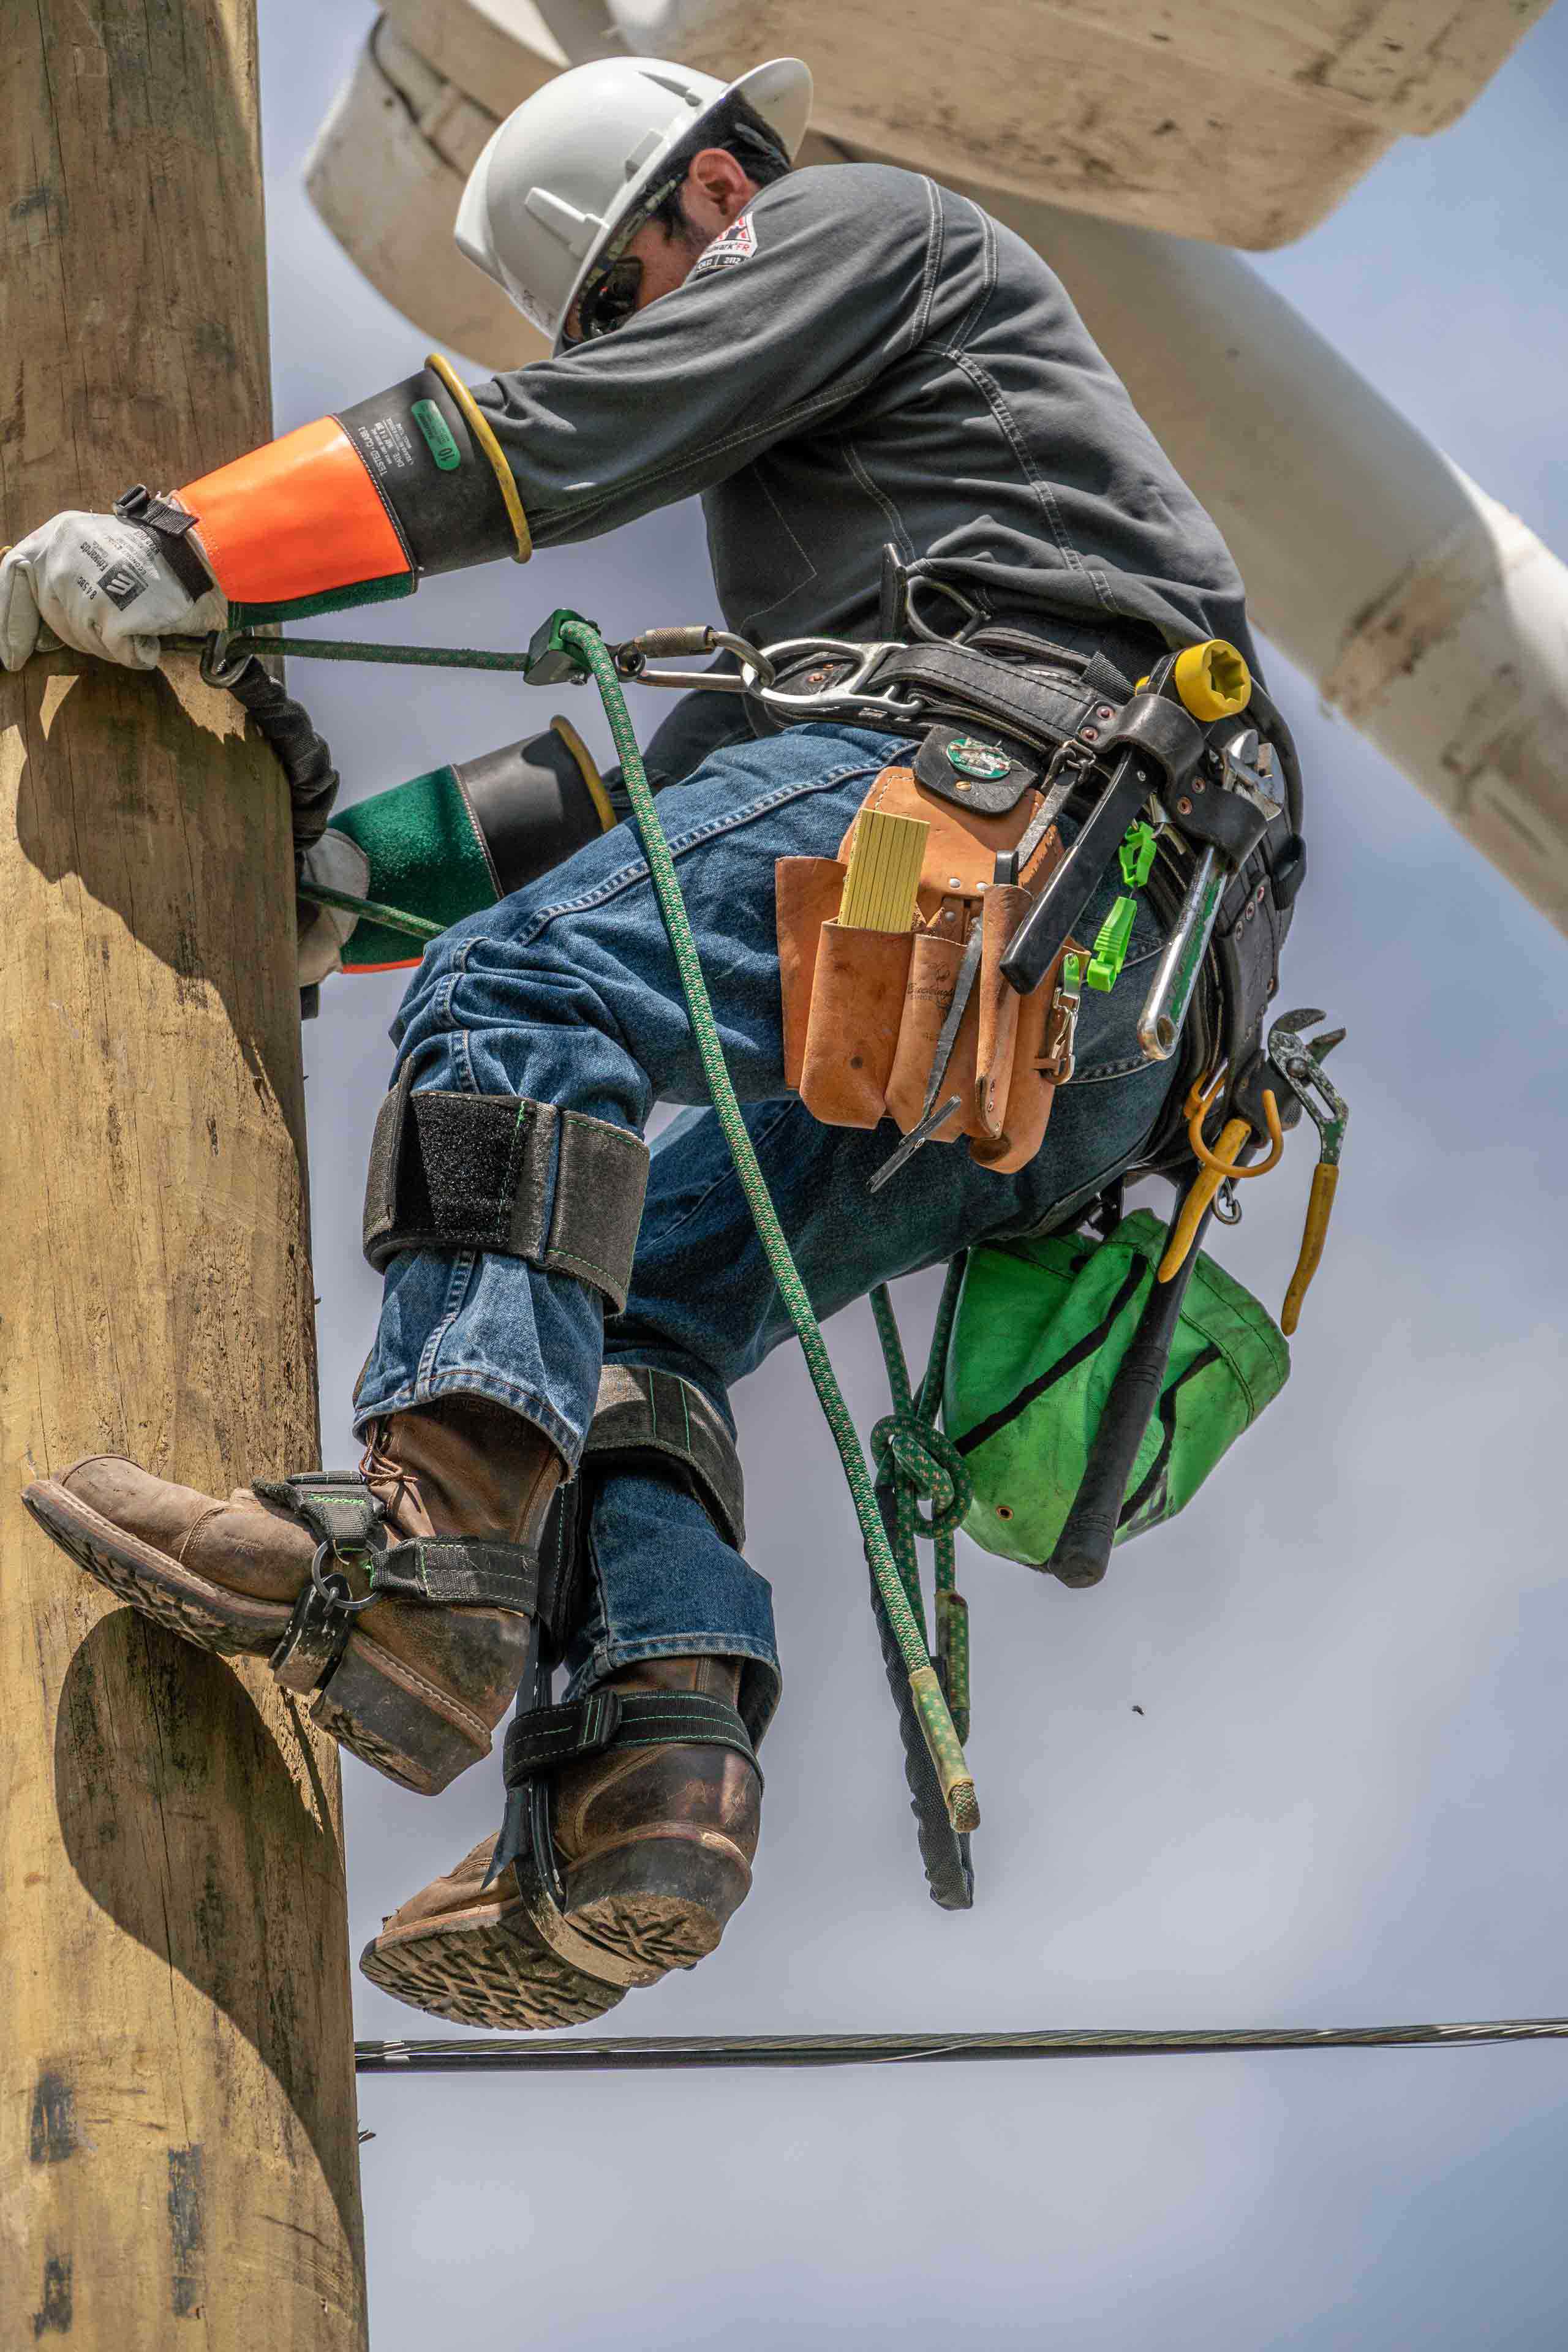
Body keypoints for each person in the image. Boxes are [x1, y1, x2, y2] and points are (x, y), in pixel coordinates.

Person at [6, 53, 1267, 2031]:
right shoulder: (874, 530)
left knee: (517, 1000)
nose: (677, 281)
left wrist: (196, 543)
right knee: (646, 1308)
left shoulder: (870, 233)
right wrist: (334, 885)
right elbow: (665, 805)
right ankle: (652, 1776)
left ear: (737, 175)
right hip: (1096, 1008)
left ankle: (429, 1549)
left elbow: (557, 451)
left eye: (681, 225)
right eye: (617, 299)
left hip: (1031, 821)